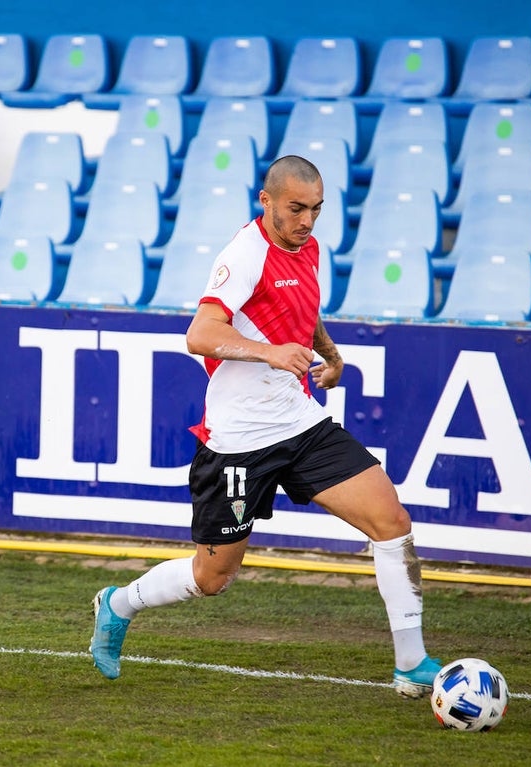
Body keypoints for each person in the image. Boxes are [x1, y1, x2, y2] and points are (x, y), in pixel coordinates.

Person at [89, 155, 440, 698]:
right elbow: (200, 334)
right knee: (213, 578)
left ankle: (411, 664)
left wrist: (330, 353)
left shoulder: (309, 247)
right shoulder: (244, 255)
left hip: (301, 424)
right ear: (266, 200)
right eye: (297, 209)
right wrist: (269, 353)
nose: (307, 221)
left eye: (316, 210)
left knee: (391, 520)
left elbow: (302, 308)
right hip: (238, 443)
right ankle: (117, 604)